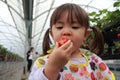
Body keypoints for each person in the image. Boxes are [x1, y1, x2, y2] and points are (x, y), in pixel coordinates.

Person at [29, 3, 115, 80]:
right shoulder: (43, 62)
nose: (66, 32)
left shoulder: (93, 61)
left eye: (75, 27)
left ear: (85, 34)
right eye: (59, 27)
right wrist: (53, 67)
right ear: (52, 34)